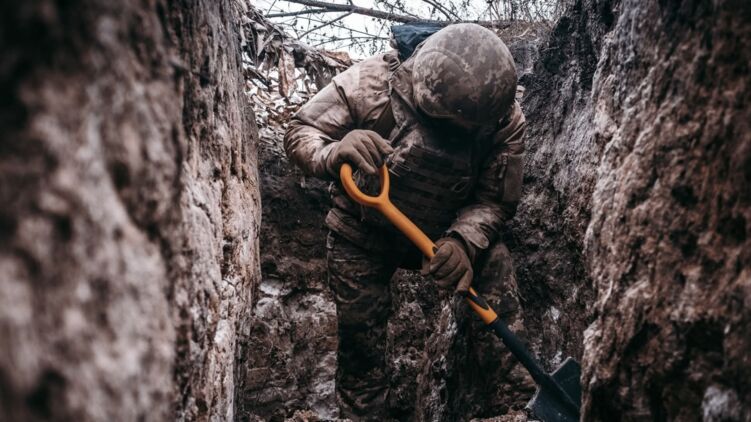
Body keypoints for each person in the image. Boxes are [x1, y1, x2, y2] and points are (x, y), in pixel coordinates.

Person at [284, 23, 533, 420]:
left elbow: (495, 201)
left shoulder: (503, 120)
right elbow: (302, 131)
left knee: (496, 266)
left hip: (439, 234)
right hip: (361, 231)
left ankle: (517, 405)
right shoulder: (372, 84)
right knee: (361, 344)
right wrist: (334, 152)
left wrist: (463, 242)